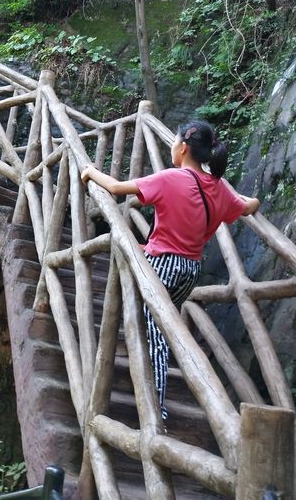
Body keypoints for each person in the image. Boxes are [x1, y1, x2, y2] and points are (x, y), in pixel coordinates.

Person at [81, 120, 260, 420]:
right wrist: (253, 199)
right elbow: (248, 207)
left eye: (174, 142)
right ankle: (146, 382)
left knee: (156, 333)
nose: (171, 147)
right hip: (189, 270)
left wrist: (88, 171)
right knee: (160, 323)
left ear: (183, 147)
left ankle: (156, 409)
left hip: (164, 266)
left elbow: (114, 188)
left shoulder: (170, 179)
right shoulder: (217, 188)